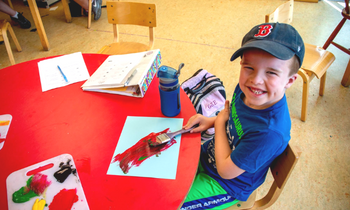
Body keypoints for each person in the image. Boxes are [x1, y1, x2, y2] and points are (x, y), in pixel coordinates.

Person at [180, 22, 305, 210]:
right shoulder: (248, 90)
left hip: (225, 185)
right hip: (209, 156)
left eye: (271, 72)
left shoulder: (269, 132)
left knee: (170, 203)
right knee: (163, 178)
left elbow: (225, 171)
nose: (255, 80)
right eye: (249, 68)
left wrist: (220, 123)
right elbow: (233, 120)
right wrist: (211, 120)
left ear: (290, 80)